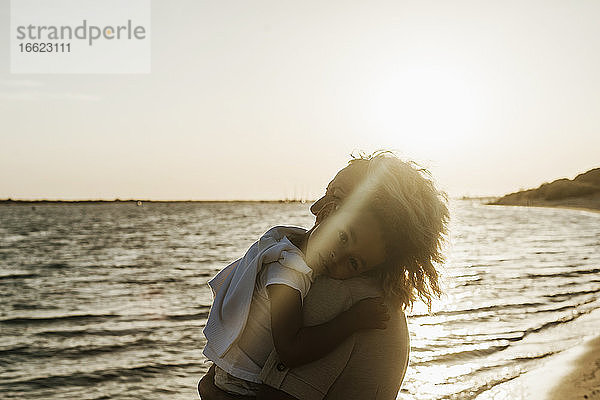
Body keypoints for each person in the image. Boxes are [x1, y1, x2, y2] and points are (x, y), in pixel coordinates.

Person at [200, 151, 449, 400]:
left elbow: (290, 351)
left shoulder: (332, 292)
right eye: (328, 194)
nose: (315, 207)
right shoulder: (378, 293)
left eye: (336, 198)